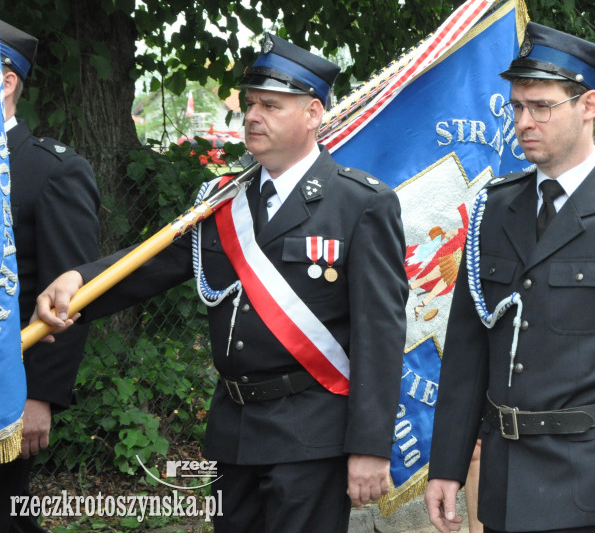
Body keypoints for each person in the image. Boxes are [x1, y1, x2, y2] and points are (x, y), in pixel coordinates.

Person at [35, 33, 408, 533]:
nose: (252, 115)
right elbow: (150, 264)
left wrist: (368, 446)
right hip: (233, 429)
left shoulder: (361, 203)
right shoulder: (222, 201)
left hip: (311, 431)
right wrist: (77, 281)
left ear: (314, 114)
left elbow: (380, 334)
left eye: (271, 105)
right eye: (251, 103)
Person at [424, 22, 595, 533]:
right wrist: (448, 466)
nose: (524, 121)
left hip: (588, 484)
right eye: (517, 106)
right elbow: (466, 350)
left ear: (588, 105)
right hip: (503, 485)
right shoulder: (494, 208)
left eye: (540, 106)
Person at [0, 20, 100, 533]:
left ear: (7, 80)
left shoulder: (51, 170)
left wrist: (40, 394)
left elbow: (71, 293)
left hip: (8, 387)